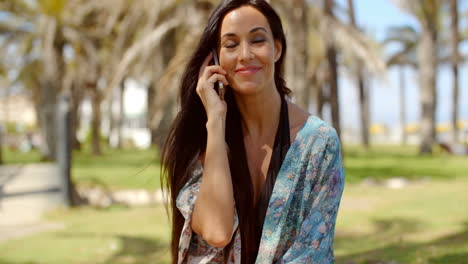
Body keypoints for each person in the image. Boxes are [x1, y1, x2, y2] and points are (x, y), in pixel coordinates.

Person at [161, 0, 345, 263]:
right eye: (231, 44)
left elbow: (311, 253)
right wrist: (215, 120)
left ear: (277, 49)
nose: (245, 54)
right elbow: (216, 231)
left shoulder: (319, 143)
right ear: (214, 59)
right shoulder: (203, 137)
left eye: (258, 40)